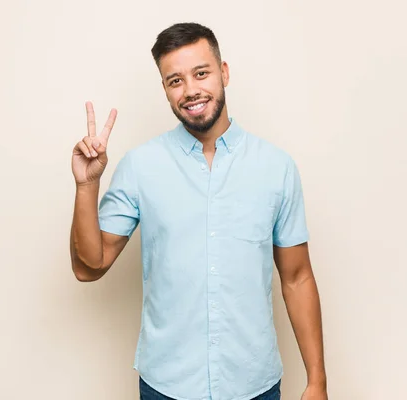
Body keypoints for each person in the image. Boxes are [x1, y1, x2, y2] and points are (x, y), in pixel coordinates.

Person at [69, 22, 327, 400]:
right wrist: (87, 185)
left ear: (224, 72)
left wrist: (317, 381)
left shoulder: (276, 167)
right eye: (175, 80)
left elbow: (298, 277)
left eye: (201, 73)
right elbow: (88, 266)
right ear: (165, 90)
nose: (190, 90)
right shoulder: (141, 166)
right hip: (167, 387)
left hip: (254, 385)